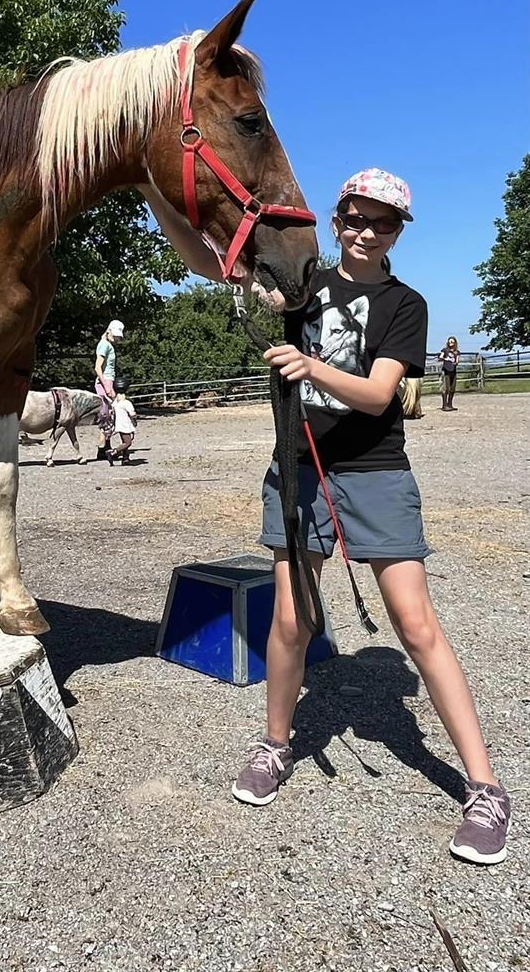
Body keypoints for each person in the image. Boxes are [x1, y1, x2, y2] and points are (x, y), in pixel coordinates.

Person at [231, 168, 510, 866]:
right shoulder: (305, 284)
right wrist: (246, 277)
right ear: (334, 220)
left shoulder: (402, 304)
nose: (364, 232)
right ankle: (274, 745)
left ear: (397, 233)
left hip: (376, 474)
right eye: (353, 219)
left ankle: (484, 788)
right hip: (296, 474)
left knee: (415, 626)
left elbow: (378, 394)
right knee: (291, 620)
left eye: (381, 223)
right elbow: (238, 271)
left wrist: (308, 366)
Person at [94, 320, 124, 460]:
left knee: (110, 416)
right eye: (116, 335)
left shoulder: (107, 345)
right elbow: (98, 368)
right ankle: (101, 449)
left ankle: (106, 447)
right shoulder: (104, 345)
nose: (117, 338)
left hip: (108, 381)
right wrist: (107, 387)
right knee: (106, 417)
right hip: (105, 382)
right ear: (109, 331)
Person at [106, 378, 137, 465]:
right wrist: (135, 417)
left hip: (118, 425)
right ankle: (113, 452)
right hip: (125, 425)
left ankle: (125, 458)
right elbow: (132, 414)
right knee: (128, 442)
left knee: (123, 441)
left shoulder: (115, 403)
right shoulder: (127, 403)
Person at [439, 336, 460, 412]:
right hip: (446, 370)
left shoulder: (456, 352)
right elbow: (440, 357)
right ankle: (444, 405)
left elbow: (457, 361)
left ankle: (450, 404)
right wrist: (445, 359)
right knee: (446, 388)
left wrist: (455, 362)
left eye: (452, 342)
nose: (450, 343)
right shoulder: (445, 350)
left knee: (452, 388)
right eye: (449, 341)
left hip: (453, 370)